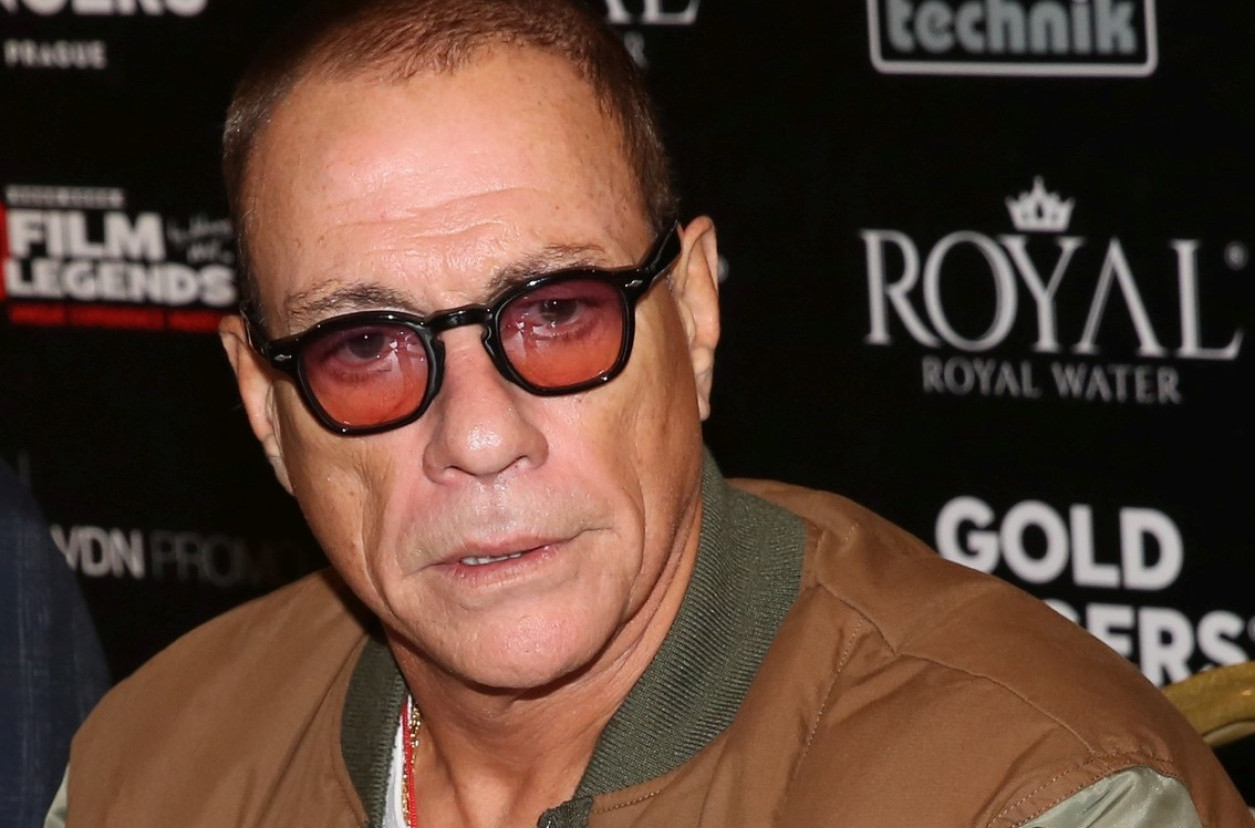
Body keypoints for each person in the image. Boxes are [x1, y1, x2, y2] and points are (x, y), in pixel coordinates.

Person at [53, 0, 1251, 825]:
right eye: (364, 347)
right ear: (265, 408)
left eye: (556, 314)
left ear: (694, 314)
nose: (479, 437)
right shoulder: (147, 772)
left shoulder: (1023, 793)